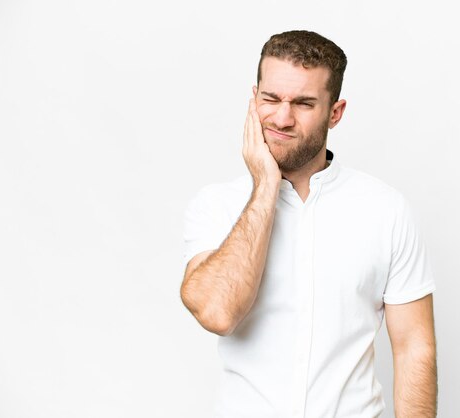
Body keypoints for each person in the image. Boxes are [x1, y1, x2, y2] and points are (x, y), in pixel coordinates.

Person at [180, 30, 437, 418]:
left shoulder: (385, 210)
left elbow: (414, 347)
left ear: (335, 112)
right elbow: (218, 313)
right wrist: (266, 185)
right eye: (270, 99)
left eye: (303, 103)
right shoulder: (215, 205)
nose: (282, 118)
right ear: (254, 99)